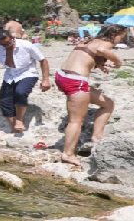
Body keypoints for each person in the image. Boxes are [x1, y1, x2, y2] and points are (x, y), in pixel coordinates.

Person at [55, 24, 126, 167]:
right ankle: (68, 154)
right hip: (75, 81)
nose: (120, 40)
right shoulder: (106, 44)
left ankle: (97, 136)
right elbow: (101, 50)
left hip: (62, 76)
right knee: (76, 121)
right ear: (115, 34)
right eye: (122, 37)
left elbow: (90, 54)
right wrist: (118, 62)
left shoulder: (89, 41)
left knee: (108, 104)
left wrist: (100, 64)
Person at [0, 29, 50, 134]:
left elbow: (43, 60)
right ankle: (15, 128)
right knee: (4, 100)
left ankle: (19, 120)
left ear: (12, 38)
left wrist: (45, 80)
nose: (6, 46)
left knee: (20, 92)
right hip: (10, 74)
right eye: (2, 44)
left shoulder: (26, 45)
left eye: (7, 43)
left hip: (28, 72)